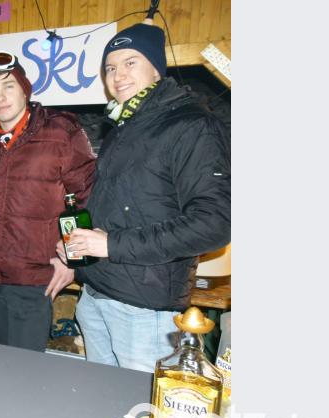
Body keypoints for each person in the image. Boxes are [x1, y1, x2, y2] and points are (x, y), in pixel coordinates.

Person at [56, 21, 231, 372]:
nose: (118, 75)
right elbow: (123, 210)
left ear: (156, 66)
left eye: (130, 62)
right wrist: (77, 248)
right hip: (96, 295)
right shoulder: (125, 125)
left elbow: (215, 223)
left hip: (143, 311)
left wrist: (112, 245)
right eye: (110, 67)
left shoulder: (189, 124)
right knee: (96, 409)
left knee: (139, 416)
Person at [0, 51, 96, 352]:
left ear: (24, 88)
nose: (0, 97)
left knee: (26, 371)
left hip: (34, 277)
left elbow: (85, 198)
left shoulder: (61, 131)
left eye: (8, 86)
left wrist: (70, 259)